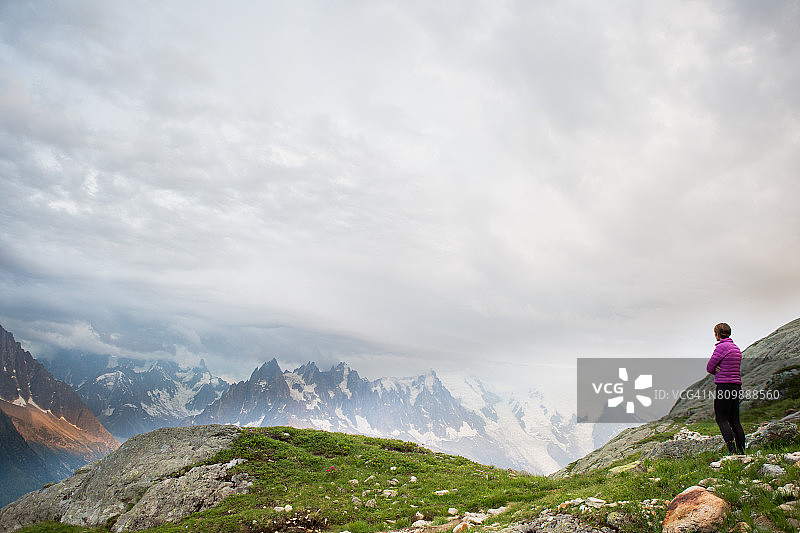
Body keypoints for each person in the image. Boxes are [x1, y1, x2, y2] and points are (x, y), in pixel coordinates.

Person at [706, 322, 745, 455]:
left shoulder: (721, 348)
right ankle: (741, 451)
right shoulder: (736, 348)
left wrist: (716, 369)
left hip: (724, 386)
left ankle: (731, 451)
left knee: (721, 418)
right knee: (734, 419)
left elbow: (709, 367)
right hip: (736, 386)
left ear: (717, 334)